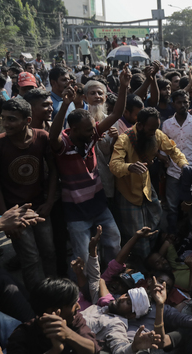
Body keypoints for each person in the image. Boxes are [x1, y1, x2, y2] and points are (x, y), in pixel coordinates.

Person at [49, 65, 129, 265]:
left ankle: (110, 277)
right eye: (88, 131)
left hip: (99, 204)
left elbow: (116, 114)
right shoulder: (63, 145)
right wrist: (66, 105)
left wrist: (123, 87)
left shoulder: (91, 135)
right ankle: (87, 290)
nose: (94, 133)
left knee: (113, 242)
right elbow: (53, 135)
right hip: (76, 211)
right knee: (83, 257)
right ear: (74, 129)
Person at [0, 98, 57, 290]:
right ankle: (36, 298)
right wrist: (5, 218)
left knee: (49, 252)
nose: (6, 124)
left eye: (12, 119)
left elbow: (53, 171)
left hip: (40, 206)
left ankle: (55, 292)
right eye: (4, 119)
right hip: (14, 211)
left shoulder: (42, 137)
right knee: (29, 258)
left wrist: (49, 202)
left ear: (28, 120)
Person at [109, 107, 187, 258]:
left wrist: (184, 165)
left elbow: (174, 151)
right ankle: (140, 264)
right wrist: (129, 167)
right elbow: (114, 165)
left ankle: (153, 257)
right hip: (129, 193)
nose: (154, 132)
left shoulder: (156, 134)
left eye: (156, 128)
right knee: (136, 232)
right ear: (140, 126)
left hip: (146, 187)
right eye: (151, 129)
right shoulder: (124, 139)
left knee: (155, 221)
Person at [7, 278, 100, 354]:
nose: (78, 307)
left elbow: (92, 350)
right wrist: (55, 351)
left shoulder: (74, 319)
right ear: (53, 311)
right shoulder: (21, 336)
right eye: (72, 304)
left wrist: (69, 335)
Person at [161, 90, 192, 234]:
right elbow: (164, 149)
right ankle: (173, 236)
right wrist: (165, 162)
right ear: (173, 104)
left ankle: (190, 236)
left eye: (185, 102)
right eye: (179, 102)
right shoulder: (167, 124)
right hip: (173, 172)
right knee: (172, 207)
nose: (183, 105)